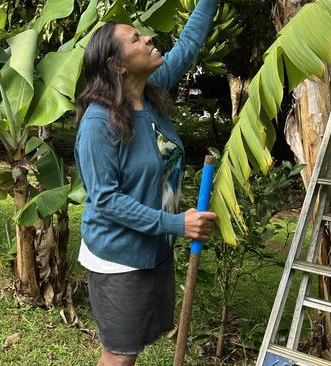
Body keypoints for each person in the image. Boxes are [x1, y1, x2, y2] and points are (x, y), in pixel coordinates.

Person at [74, 0, 219, 365]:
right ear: (117, 65)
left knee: (132, 350)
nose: (149, 38)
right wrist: (176, 223)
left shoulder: (151, 93)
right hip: (120, 257)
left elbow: (188, 44)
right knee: (119, 356)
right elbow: (106, 200)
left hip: (154, 248)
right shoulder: (98, 123)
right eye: (136, 39)